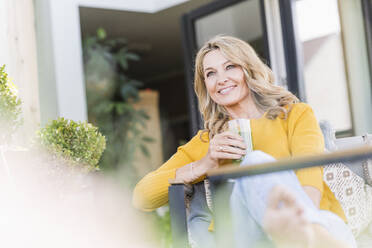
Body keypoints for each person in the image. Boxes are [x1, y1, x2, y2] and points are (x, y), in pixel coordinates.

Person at [133, 35, 356, 248]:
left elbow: (309, 173)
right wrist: (205, 164)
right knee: (253, 164)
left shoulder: (294, 115)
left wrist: (304, 226)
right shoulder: (209, 142)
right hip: (254, 239)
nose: (221, 79)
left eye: (230, 66)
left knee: (255, 162)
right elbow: (142, 196)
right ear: (206, 86)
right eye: (210, 73)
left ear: (248, 69)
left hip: (321, 230)